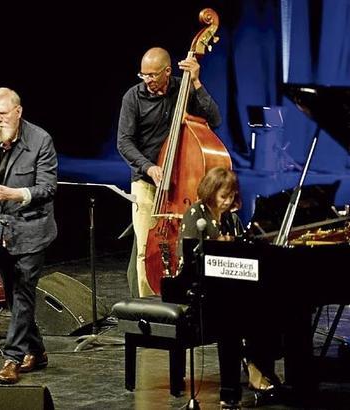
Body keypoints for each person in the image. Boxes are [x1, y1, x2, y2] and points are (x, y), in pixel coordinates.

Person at [117, 47, 222, 297]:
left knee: (185, 247)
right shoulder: (133, 97)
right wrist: (149, 167)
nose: (148, 80)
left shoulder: (183, 88)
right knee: (145, 248)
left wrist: (196, 81)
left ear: (167, 71)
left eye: (153, 75)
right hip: (146, 181)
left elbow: (214, 119)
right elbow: (124, 142)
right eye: (144, 75)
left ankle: (185, 299)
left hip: (181, 182)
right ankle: (147, 305)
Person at [0, 87, 57, 384]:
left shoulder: (41, 140)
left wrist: (14, 193)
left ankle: (12, 358)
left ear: (18, 112)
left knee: (22, 295)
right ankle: (38, 350)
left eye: (3, 114)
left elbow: (48, 188)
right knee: (12, 295)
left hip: (32, 231)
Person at [177, 167, 280, 409]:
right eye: (223, 196)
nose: (228, 202)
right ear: (211, 192)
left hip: (228, 289)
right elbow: (192, 259)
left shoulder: (231, 218)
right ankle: (239, 381)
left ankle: (259, 365)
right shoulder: (196, 214)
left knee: (267, 306)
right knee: (236, 314)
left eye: (232, 196)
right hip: (199, 289)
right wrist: (217, 246)